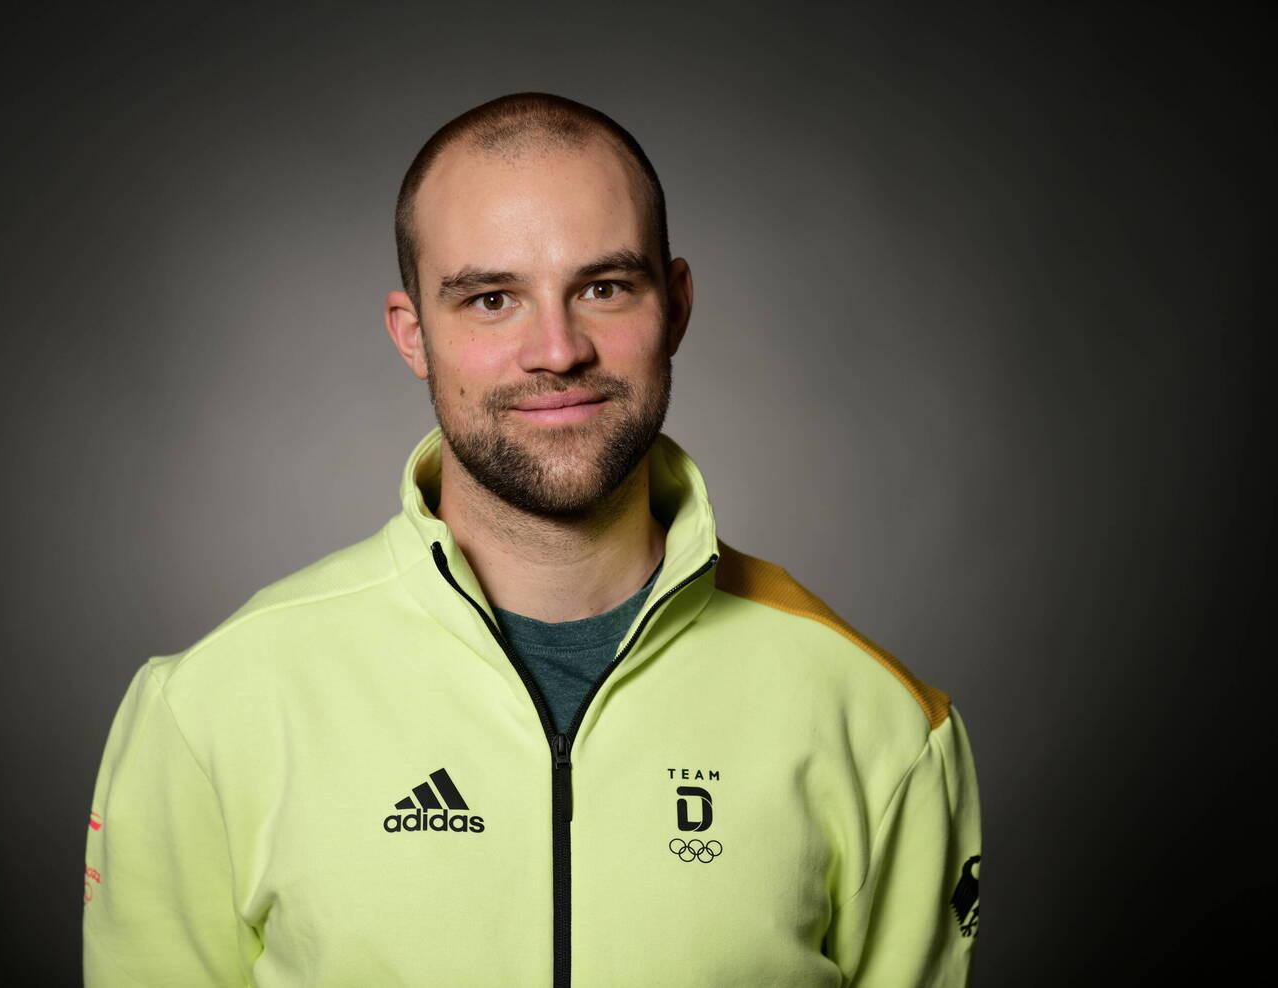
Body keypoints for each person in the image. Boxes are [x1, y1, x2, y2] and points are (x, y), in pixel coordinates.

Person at [82, 91, 982, 987]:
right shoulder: (209, 711)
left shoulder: (881, 720)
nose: (556, 349)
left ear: (675, 306)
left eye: (604, 288)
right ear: (413, 336)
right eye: (491, 299)